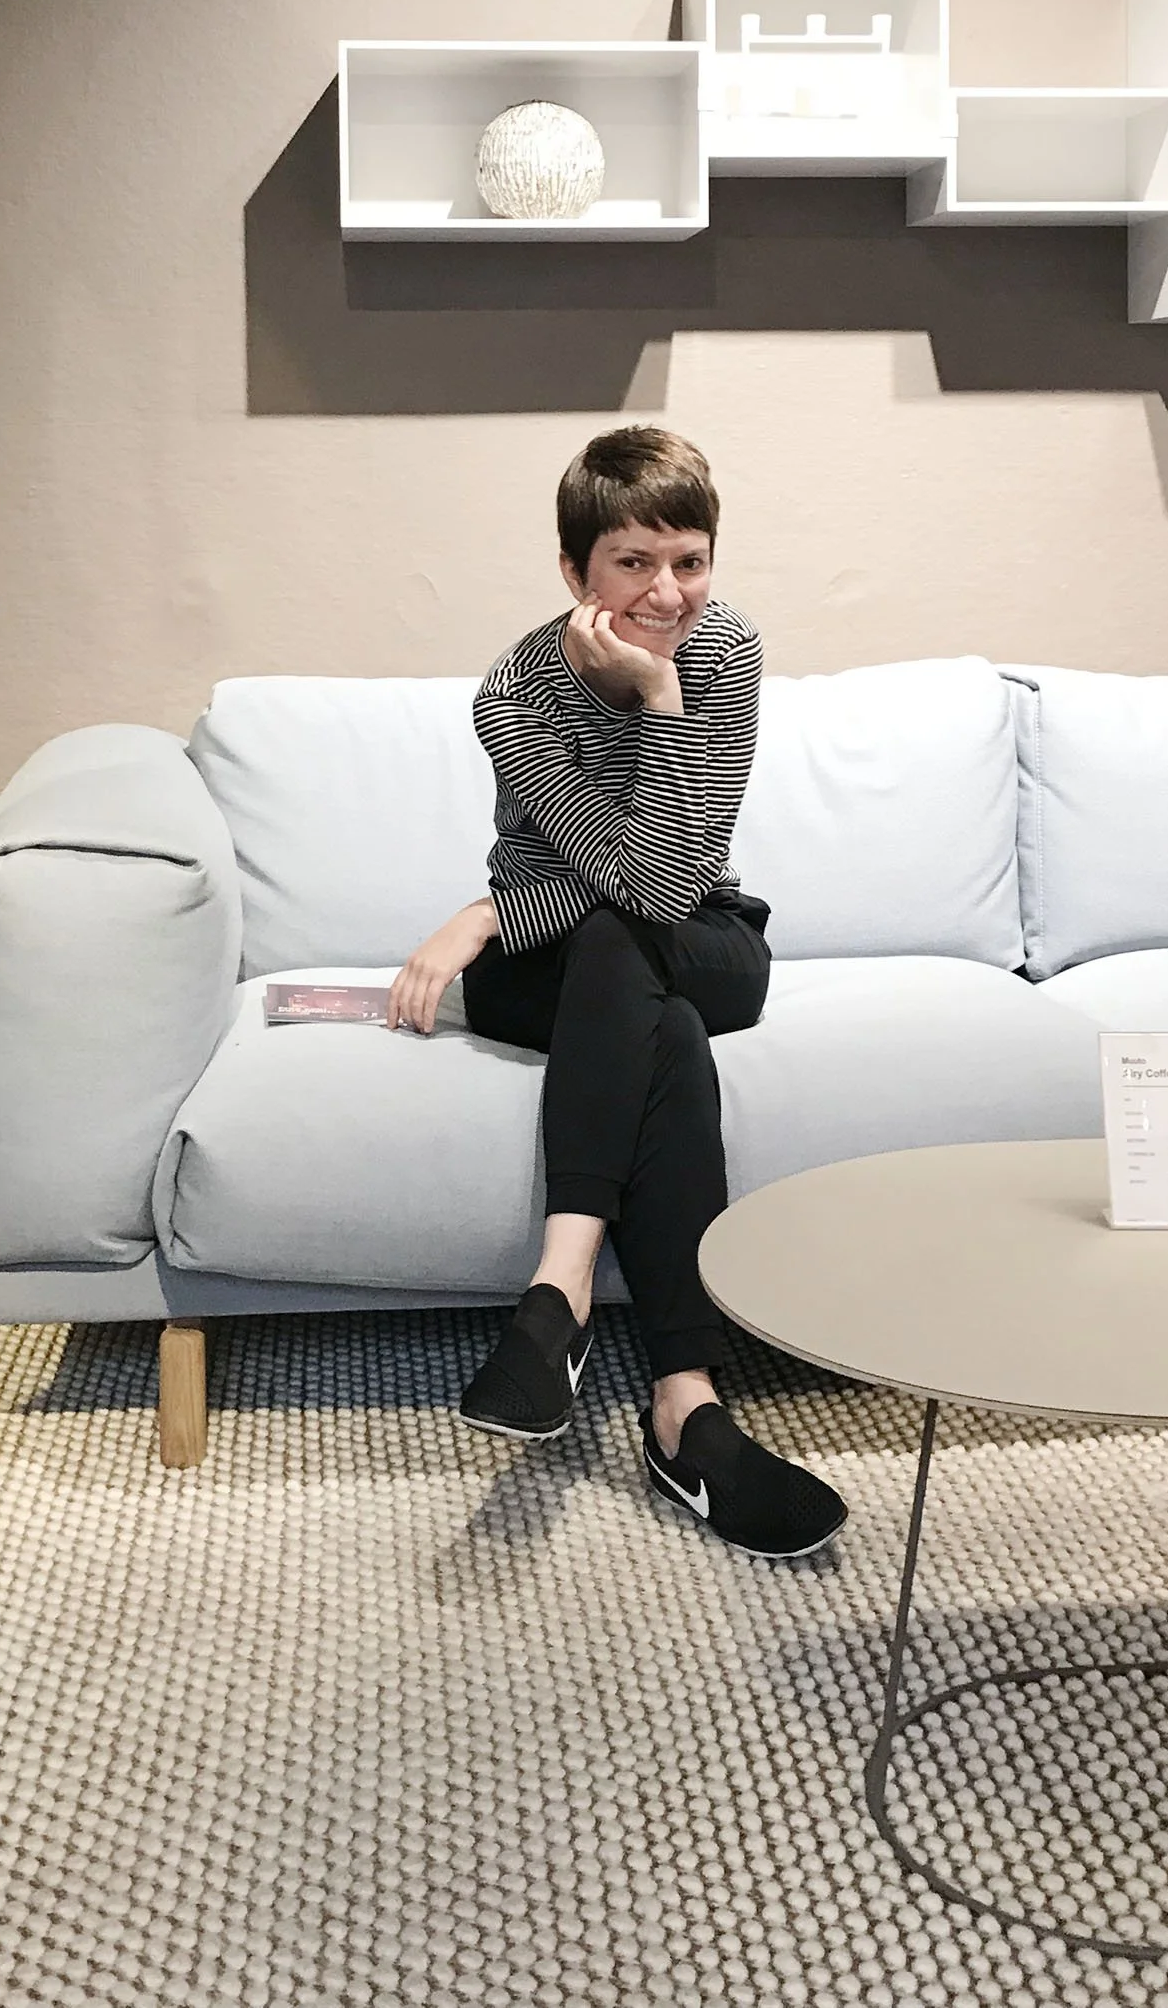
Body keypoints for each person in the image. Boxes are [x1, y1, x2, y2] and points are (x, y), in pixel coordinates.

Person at [387, 426, 846, 1561]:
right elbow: (621, 880)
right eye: (633, 563)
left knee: (633, 945)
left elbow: (673, 882)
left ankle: (559, 1292)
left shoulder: (722, 650)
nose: (666, 592)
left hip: (699, 936)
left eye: (689, 561)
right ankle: (687, 1408)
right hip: (559, 971)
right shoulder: (516, 695)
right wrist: (507, 921)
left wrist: (658, 696)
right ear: (573, 570)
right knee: (656, 1019)